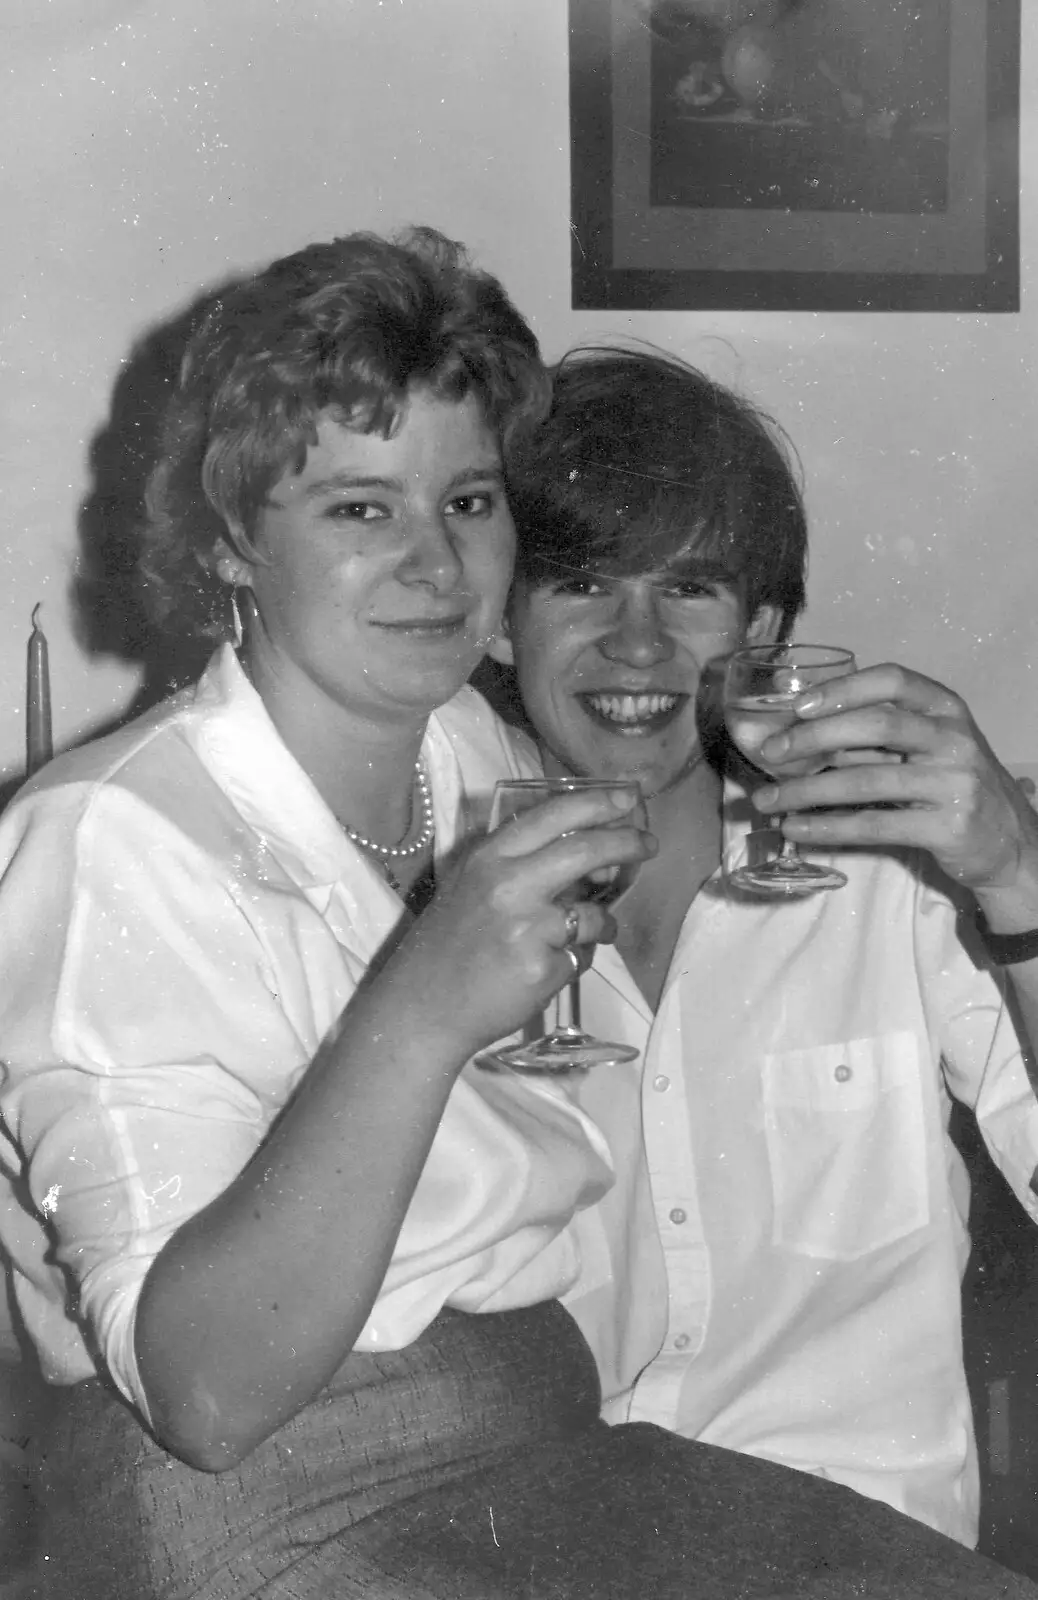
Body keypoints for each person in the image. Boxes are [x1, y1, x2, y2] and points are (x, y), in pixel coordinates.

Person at [0, 236, 1033, 1600]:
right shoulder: (132, 836)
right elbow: (200, 1393)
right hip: (332, 1518)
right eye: (360, 510)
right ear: (234, 541)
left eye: (469, 501)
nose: (433, 562)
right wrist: (426, 1000)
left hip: (637, 1487)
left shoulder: (471, 777)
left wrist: (1020, 874)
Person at [491, 341, 1038, 1557]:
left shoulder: (892, 874)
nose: (635, 647)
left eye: (687, 589)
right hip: (562, 1560)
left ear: (765, 629)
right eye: (582, 582)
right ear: (497, 617)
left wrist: (1020, 874)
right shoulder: (436, 924)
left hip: (866, 1554)